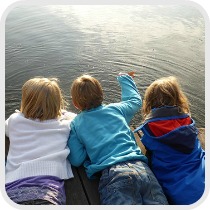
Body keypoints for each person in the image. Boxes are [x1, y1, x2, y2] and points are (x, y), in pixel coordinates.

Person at [67, 72, 168, 205]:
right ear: (101, 95)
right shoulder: (117, 109)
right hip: (143, 169)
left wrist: (90, 146)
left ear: (75, 103)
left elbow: (76, 159)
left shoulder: (76, 124)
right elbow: (135, 101)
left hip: (114, 174)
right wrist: (125, 78)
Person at [134, 76, 205, 205]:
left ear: (149, 101)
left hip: (182, 193)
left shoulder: (150, 129)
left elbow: (149, 145)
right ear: (178, 98)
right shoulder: (188, 122)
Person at [5, 77, 76, 205]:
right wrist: (62, 113)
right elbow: (77, 118)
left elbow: (6, 130)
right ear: (58, 103)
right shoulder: (65, 125)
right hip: (48, 188)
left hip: (13, 187)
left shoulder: (14, 120)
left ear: (26, 102)